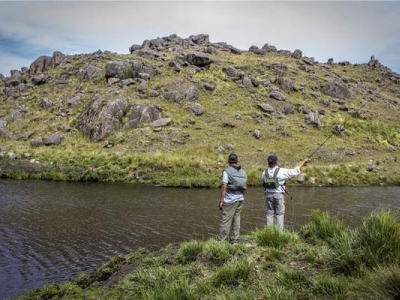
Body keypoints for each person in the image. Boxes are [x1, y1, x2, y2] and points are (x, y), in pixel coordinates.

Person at [261, 155, 310, 231]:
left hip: (268, 195)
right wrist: (303, 162)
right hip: (279, 195)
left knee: (269, 214)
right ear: (276, 162)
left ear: (268, 162)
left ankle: (269, 232)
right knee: (279, 214)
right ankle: (279, 233)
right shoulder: (281, 171)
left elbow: (263, 180)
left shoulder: (264, 172)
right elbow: (295, 171)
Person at [217, 153, 247, 244]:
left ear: (229, 161)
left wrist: (222, 201)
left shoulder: (227, 171)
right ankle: (234, 240)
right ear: (236, 161)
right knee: (236, 219)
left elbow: (224, 186)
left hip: (230, 200)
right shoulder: (243, 172)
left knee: (225, 220)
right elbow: (245, 187)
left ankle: (221, 241)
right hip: (240, 199)